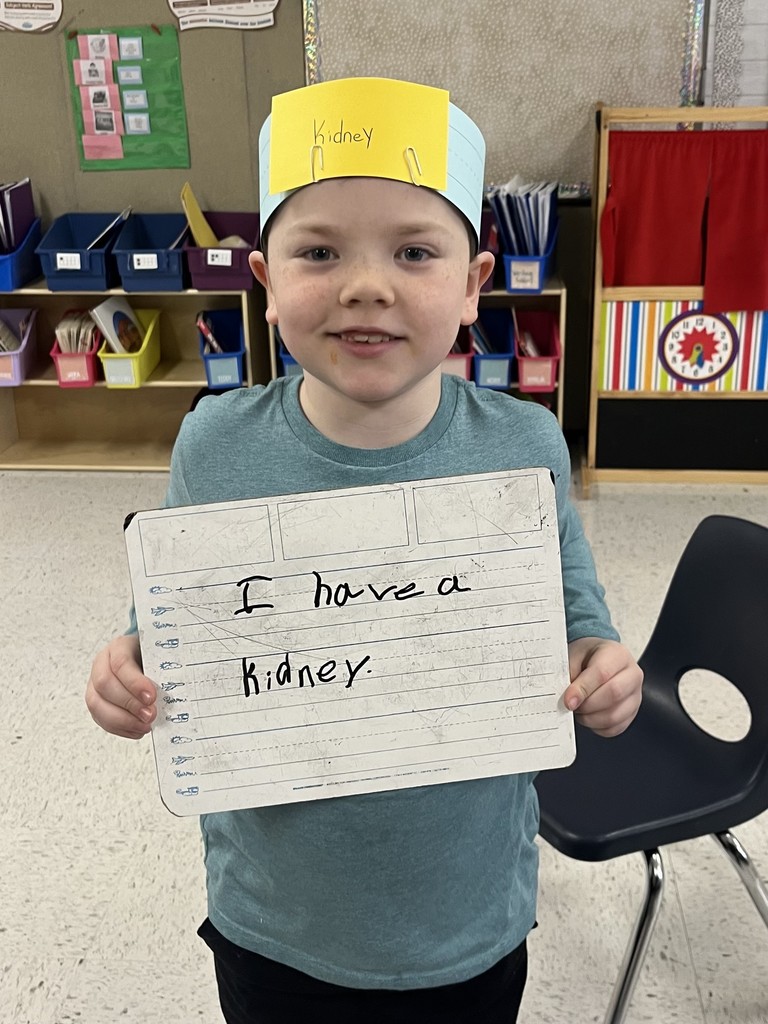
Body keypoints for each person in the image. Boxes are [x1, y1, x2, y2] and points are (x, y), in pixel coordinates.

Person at [86, 77, 643, 1024]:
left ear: (473, 286)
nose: (366, 285)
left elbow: (576, 619)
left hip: (467, 922)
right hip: (275, 919)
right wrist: (124, 669)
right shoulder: (214, 445)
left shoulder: (523, 446)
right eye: (318, 251)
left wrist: (605, 670)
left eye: (415, 251)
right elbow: (170, 629)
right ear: (264, 284)